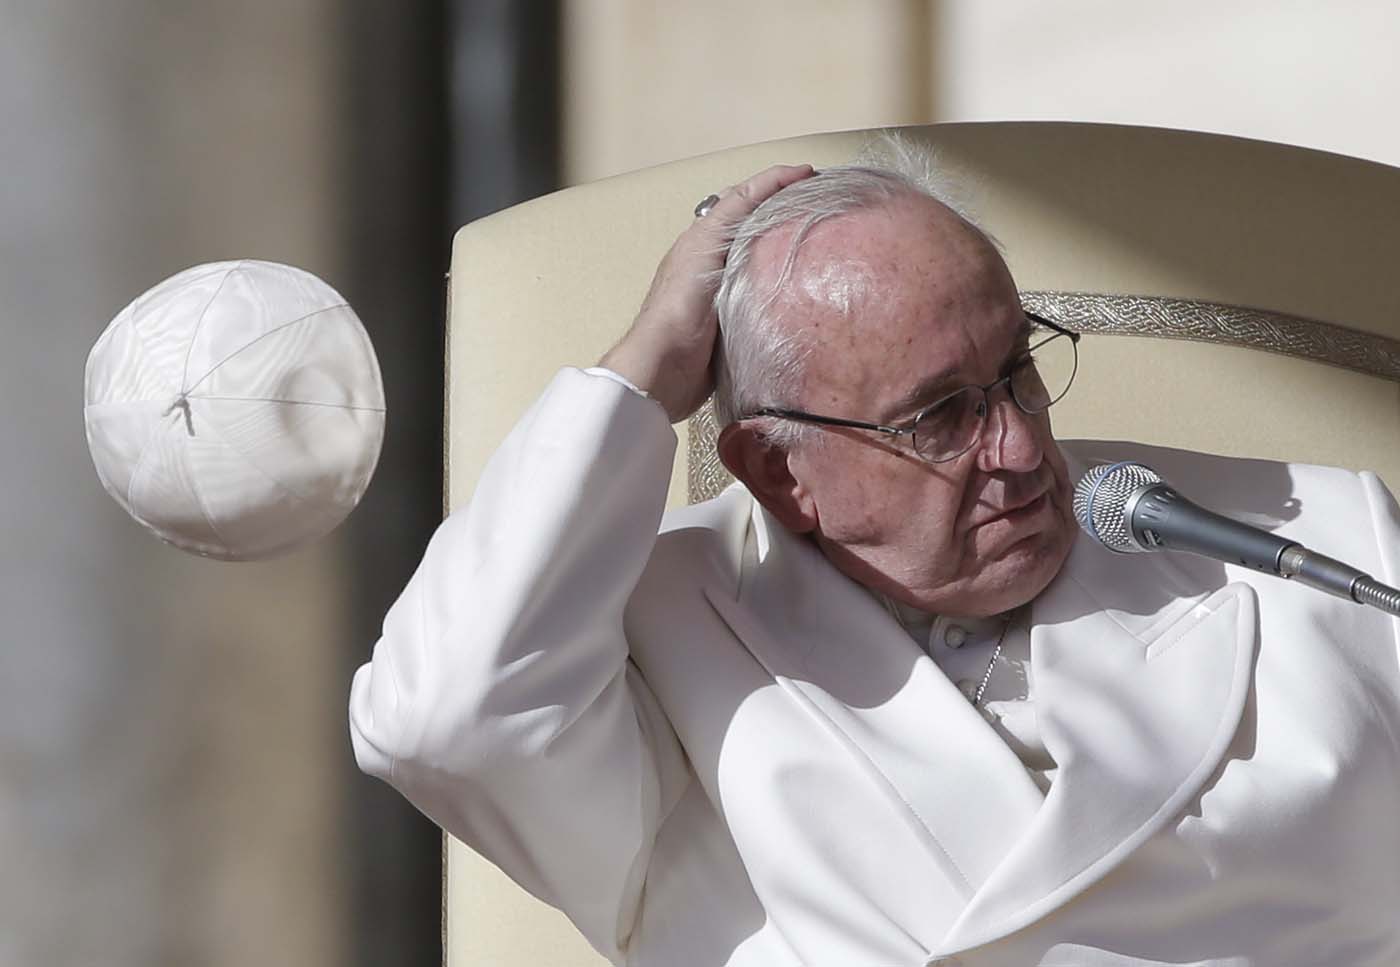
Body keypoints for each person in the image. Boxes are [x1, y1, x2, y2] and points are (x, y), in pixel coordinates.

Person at [349, 144, 1400, 967]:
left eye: (1017, 370)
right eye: (940, 416)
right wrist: (641, 376)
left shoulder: (1309, 538)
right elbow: (441, 718)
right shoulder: (648, 646)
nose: (1023, 446)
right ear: (776, 471)